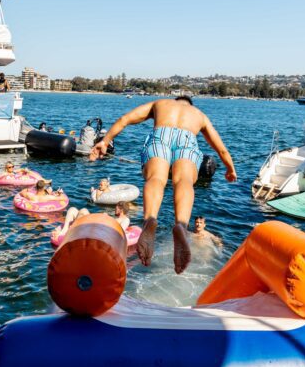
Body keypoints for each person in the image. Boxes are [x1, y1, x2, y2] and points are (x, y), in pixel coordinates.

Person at [89, 96, 237, 274]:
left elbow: (125, 119)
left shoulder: (160, 104)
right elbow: (221, 149)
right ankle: (181, 225)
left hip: (161, 136)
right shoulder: (199, 115)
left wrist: (105, 141)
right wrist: (230, 169)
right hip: (187, 141)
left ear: (176, 100)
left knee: (156, 179)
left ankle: (150, 220)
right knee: (184, 180)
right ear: (189, 105)